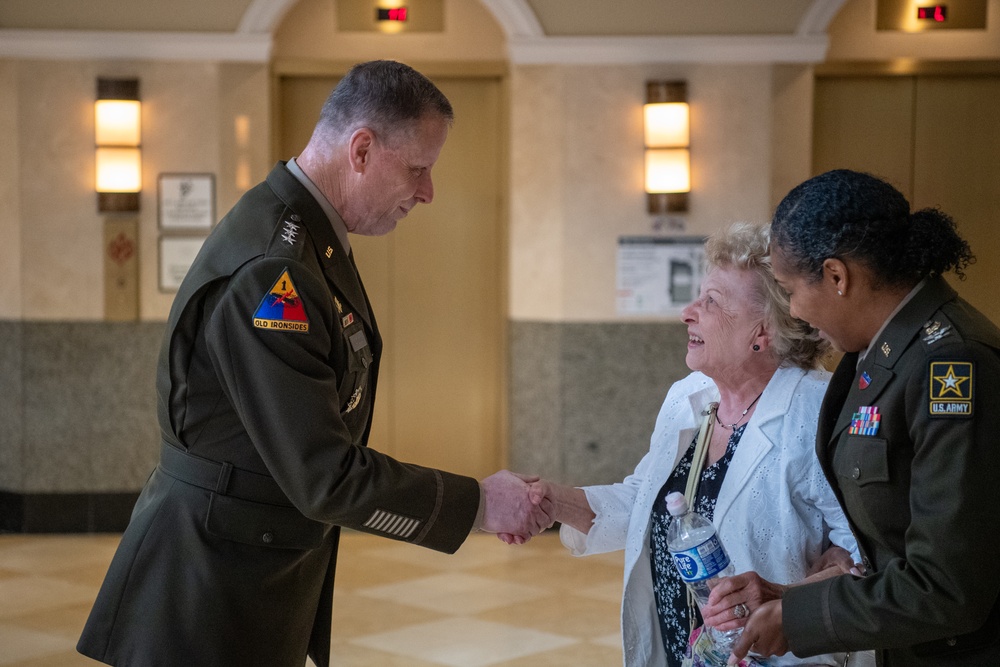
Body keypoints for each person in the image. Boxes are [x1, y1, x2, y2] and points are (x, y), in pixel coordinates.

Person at [77, 60, 552, 667]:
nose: (428, 191)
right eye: (418, 169)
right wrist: (481, 503)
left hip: (251, 560)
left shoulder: (306, 236)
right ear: (360, 150)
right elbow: (323, 474)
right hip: (206, 587)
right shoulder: (274, 270)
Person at [526, 222, 859, 666]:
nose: (687, 312)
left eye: (711, 302)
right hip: (682, 650)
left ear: (764, 330)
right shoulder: (690, 395)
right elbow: (645, 502)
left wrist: (786, 597)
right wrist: (553, 501)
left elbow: (866, 562)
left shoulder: (819, 411)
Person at [711, 169, 1000, 666]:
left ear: (837, 276)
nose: (795, 312)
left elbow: (946, 587)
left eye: (790, 290)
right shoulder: (879, 348)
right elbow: (893, 540)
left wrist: (798, 619)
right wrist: (788, 596)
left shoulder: (951, 364)